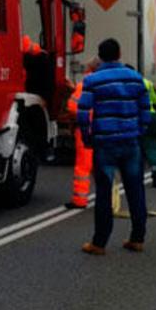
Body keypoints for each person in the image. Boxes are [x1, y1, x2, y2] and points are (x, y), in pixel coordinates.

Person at [77, 38, 151, 255]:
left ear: (100, 56)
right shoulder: (136, 78)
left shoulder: (93, 80)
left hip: (105, 143)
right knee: (135, 191)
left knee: (103, 193)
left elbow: (83, 113)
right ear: (119, 53)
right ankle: (137, 239)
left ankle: (99, 243)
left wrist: (86, 136)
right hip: (130, 143)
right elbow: (145, 110)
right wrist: (140, 131)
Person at [64, 58, 100, 209]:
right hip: (104, 129)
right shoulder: (108, 83)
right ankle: (108, 199)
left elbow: (72, 107)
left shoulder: (85, 83)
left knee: (83, 167)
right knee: (102, 165)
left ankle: (80, 200)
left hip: (86, 129)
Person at [127, 66, 156, 188]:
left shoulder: (127, 83)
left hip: (136, 117)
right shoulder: (147, 82)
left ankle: (137, 178)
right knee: (152, 145)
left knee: (137, 148)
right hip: (152, 116)